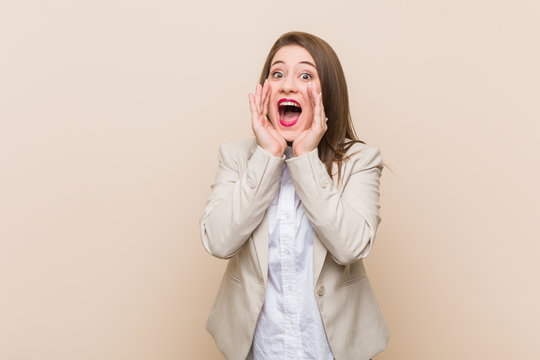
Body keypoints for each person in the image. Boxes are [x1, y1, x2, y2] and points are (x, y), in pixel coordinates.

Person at [199, 31, 390, 360]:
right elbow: (218, 240)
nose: (288, 85)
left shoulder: (360, 160)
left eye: (305, 75)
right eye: (277, 73)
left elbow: (351, 246)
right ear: (265, 92)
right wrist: (269, 155)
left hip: (330, 350)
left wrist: (304, 159)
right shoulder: (234, 157)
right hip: (260, 349)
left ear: (325, 94)